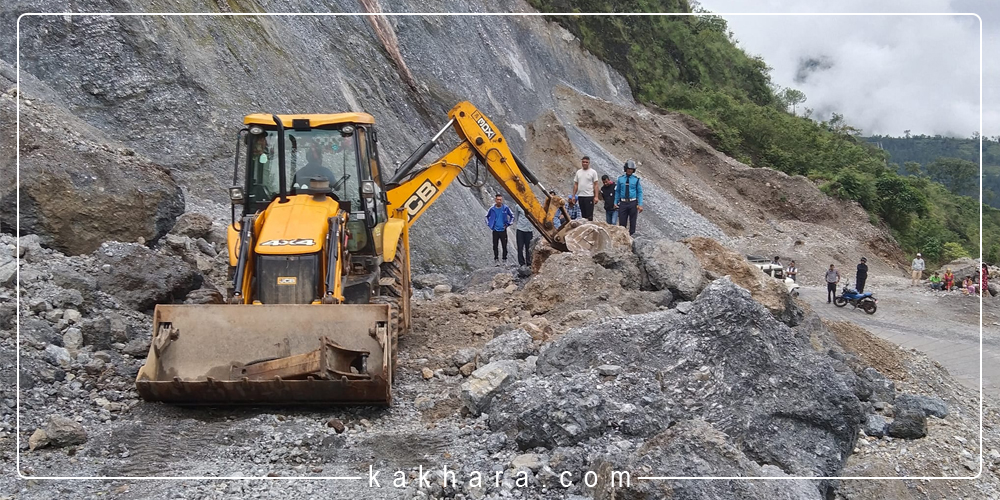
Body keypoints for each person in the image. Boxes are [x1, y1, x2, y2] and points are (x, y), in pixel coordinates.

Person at [615, 159, 644, 235]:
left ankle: (632, 237)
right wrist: (615, 202)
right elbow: (617, 191)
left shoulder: (636, 180)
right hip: (623, 202)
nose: (629, 171)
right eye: (628, 169)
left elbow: (639, 192)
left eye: (631, 169)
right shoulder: (620, 179)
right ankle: (622, 237)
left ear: (633, 170)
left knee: (633, 221)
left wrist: (640, 204)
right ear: (625, 169)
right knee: (622, 222)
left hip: (633, 202)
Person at [485, 194, 514, 266]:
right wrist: (490, 224)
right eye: (498, 199)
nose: (499, 201)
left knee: (504, 245)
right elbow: (486, 216)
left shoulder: (505, 208)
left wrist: (508, 224)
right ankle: (496, 259)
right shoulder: (492, 209)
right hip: (495, 230)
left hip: (503, 230)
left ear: (502, 200)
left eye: (500, 199)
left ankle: (504, 259)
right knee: (495, 245)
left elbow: (512, 216)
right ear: (495, 200)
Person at [573, 156, 600, 221]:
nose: (584, 163)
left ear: (589, 163)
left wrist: (596, 196)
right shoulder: (578, 172)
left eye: (586, 162)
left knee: (589, 216)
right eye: (583, 162)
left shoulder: (593, 172)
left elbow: (596, 185)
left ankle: (590, 228)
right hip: (580, 196)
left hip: (589, 196)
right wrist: (573, 196)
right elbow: (576, 184)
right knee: (583, 215)